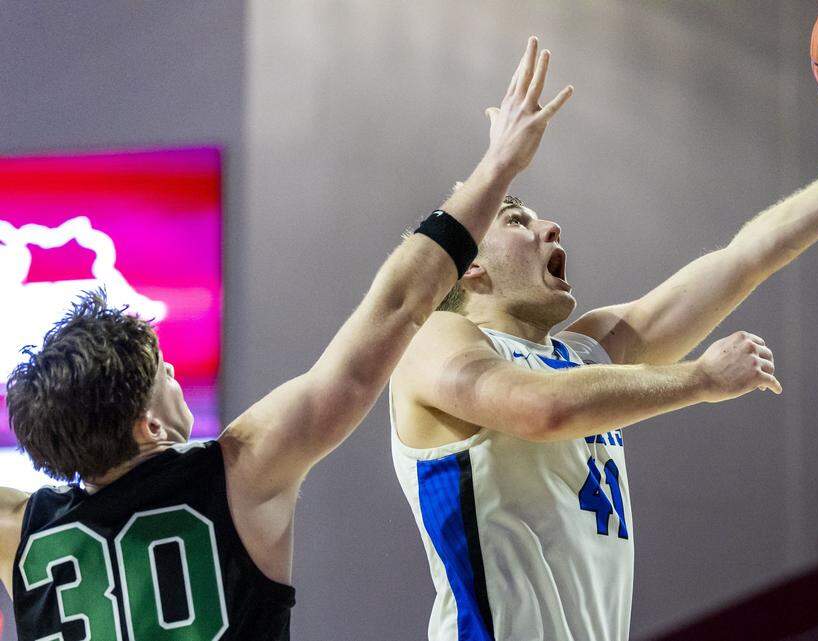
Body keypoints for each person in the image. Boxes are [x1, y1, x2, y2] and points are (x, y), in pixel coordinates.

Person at [0, 36, 571, 640]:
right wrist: (497, 166)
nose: (173, 375)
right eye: (162, 368)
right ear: (149, 426)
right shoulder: (238, 473)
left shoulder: (19, 531)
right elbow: (398, 307)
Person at [389, 74, 818, 640]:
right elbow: (541, 410)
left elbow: (745, 258)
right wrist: (699, 378)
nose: (549, 225)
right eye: (517, 221)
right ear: (470, 267)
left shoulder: (583, 353)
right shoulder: (433, 338)